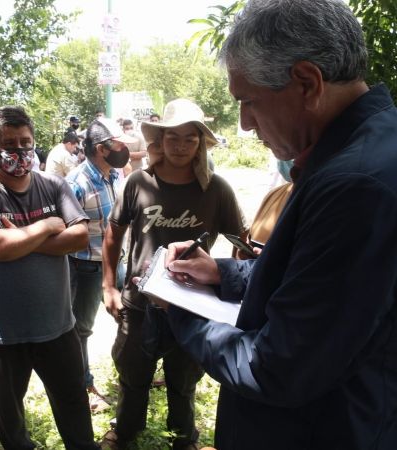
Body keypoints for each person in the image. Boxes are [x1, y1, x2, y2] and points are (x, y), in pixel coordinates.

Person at [161, 1, 397, 449]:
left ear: (306, 82)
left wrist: (181, 309)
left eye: (248, 102)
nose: (244, 123)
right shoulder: (383, 142)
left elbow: (278, 367)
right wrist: (224, 272)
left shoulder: (360, 186)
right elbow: (318, 282)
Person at [100, 98, 246, 450]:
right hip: (139, 303)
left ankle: (184, 439)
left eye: (190, 139)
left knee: (184, 379)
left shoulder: (216, 189)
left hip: (191, 306)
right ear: (160, 141)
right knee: (133, 375)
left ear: (200, 144)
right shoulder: (138, 183)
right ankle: (125, 433)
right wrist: (109, 286)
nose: (180, 146)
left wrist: (233, 293)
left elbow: (240, 242)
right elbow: (113, 233)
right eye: (173, 138)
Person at [0, 106, 99, 450]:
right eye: (9, 144)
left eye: (26, 143)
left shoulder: (53, 184)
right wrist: (49, 226)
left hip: (58, 326)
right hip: (1, 335)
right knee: (12, 427)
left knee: (76, 419)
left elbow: (80, 238)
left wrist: (18, 238)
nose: (19, 152)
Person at [65, 118, 137, 413]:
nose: (123, 149)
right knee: (81, 329)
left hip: (116, 262)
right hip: (86, 266)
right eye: (116, 144)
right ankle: (84, 386)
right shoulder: (76, 182)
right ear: (100, 149)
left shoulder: (116, 175)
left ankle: (133, 373)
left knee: (129, 316)